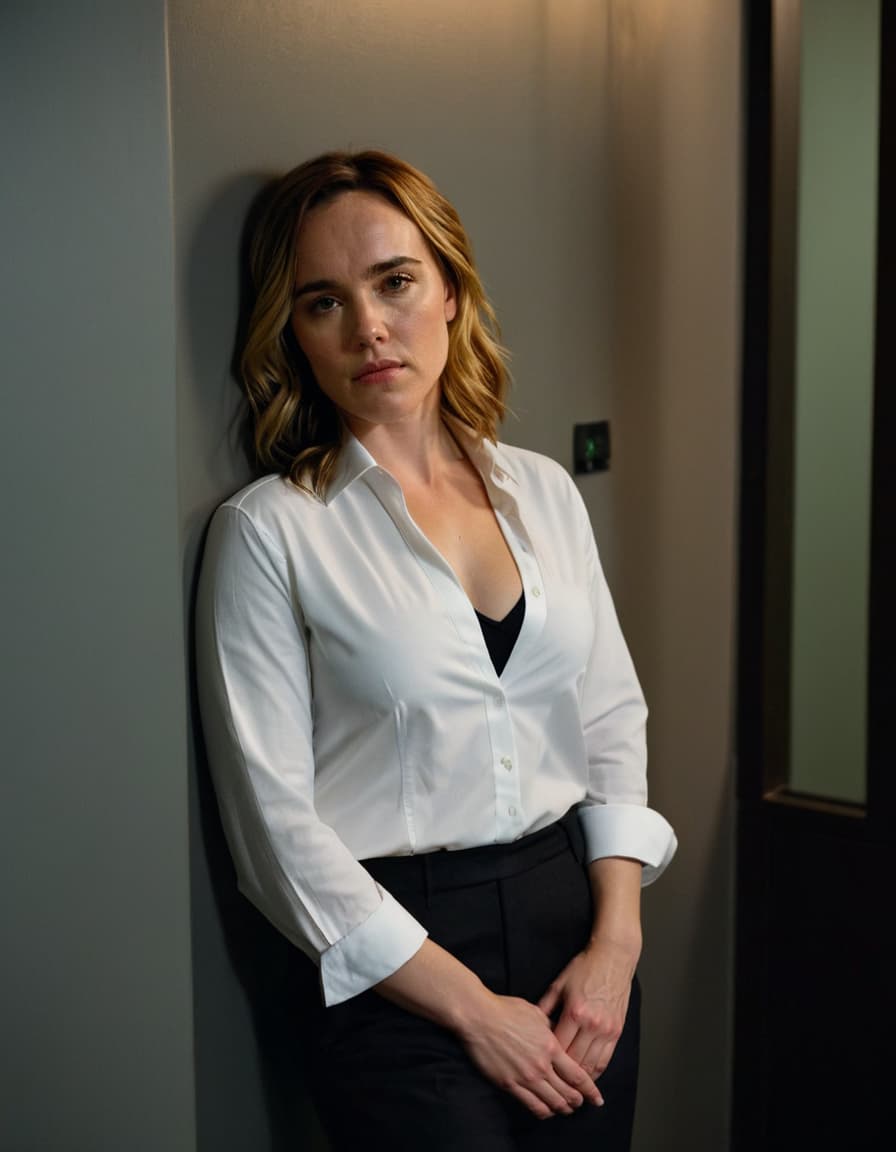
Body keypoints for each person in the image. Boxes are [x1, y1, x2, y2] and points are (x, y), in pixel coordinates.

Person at [196, 149, 677, 1152]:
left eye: (394, 282)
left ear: (449, 289)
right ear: (292, 332)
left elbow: (609, 721)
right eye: (322, 302)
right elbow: (274, 833)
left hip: (577, 951)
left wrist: (614, 949)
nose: (369, 327)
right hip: (395, 978)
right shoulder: (271, 532)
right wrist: (469, 1010)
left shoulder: (542, 491)